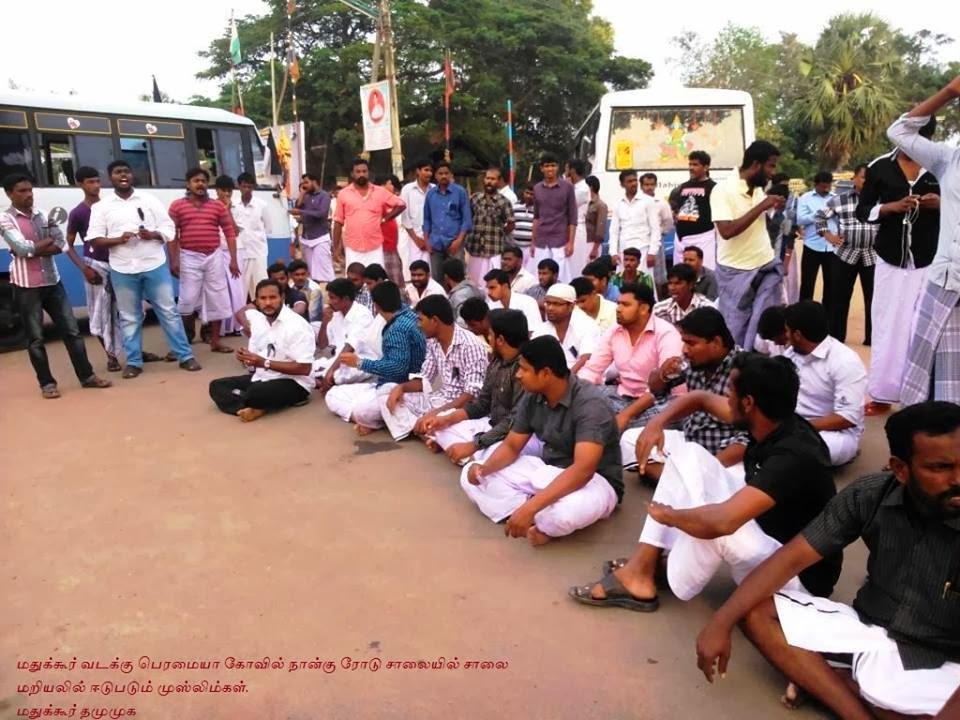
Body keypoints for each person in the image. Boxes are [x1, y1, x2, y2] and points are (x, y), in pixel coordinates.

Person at [695, 401, 960, 719]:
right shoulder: (870, 495)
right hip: (869, 631)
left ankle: (834, 683)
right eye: (940, 468)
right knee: (757, 612)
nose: (958, 479)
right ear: (900, 469)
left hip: (943, 658)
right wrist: (720, 622)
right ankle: (857, 708)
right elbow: (789, 560)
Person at [570, 353, 841, 615]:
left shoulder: (794, 455)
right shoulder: (771, 418)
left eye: (731, 393)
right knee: (689, 456)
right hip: (769, 535)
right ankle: (645, 566)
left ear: (748, 402)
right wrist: (656, 423)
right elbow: (699, 398)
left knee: (715, 524)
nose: (726, 399)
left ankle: (643, 573)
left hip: (796, 578)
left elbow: (723, 522)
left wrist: (670, 516)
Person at [461, 335, 622, 545]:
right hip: (548, 471)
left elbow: (583, 470)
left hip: (595, 482)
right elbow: (512, 446)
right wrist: (484, 470)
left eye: (524, 369)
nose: (518, 375)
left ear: (545, 373)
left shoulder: (590, 404)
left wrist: (531, 507)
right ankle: (535, 516)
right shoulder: (532, 395)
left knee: (564, 514)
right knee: (469, 473)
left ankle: (531, 512)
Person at [857, 117, 940, 416]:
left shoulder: (942, 165)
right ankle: (882, 393)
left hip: (931, 260)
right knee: (887, 326)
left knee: (926, 329)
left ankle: (923, 396)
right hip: (890, 260)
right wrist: (890, 207)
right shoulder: (880, 167)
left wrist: (940, 204)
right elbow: (863, 211)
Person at [1, 174, 111, 397]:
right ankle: (47, 384)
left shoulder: (43, 214)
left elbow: (61, 244)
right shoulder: (5, 219)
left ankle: (87, 376)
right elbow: (22, 249)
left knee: (72, 332)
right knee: (35, 339)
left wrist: (35, 248)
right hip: (26, 286)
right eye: (22, 191)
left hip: (53, 282)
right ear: (9, 194)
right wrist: (42, 243)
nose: (28, 194)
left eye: (30, 190)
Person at [88, 160, 200, 377]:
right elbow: (95, 239)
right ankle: (134, 362)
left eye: (126, 171)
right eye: (118, 172)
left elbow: (168, 229)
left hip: (153, 264)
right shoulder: (101, 207)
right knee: (129, 317)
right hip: (122, 268)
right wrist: (118, 239)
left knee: (168, 311)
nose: (123, 175)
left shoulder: (149, 200)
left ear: (132, 175)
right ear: (110, 178)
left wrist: (153, 235)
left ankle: (185, 356)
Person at [617, 307, 748, 478]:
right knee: (630, 439)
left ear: (715, 342)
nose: (685, 350)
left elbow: (748, 438)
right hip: (690, 441)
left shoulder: (745, 368)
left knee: (737, 477)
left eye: (691, 343)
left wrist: (711, 468)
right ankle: (683, 481)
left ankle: (680, 481)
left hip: (724, 452)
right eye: (684, 342)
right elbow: (656, 390)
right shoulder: (693, 361)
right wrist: (663, 373)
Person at [893, 76, 960, 407]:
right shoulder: (949, 160)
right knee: (933, 376)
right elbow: (899, 133)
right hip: (944, 281)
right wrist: (949, 92)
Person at [377, 295, 487, 442]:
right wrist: (401, 388)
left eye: (420, 320)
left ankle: (422, 429)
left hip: (461, 409)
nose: (418, 325)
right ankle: (422, 429)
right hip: (439, 400)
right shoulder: (433, 341)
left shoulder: (470, 345)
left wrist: (436, 413)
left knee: (446, 423)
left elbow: (471, 395)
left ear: (434, 321)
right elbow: (425, 379)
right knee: (386, 392)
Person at [710, 141, 786, 348]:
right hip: (735, 271)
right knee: (735, 331)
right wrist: (762, 206)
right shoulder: (722, 190)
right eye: (770, 166)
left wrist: (773, 208)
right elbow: (726, 231)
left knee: (765, 330)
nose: (773, 172)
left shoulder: (759, 190)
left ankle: (759, 364)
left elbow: (759, 225)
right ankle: (738, 365)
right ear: (756, 165)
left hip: (766, 265)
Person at [325, 281, 427, 434]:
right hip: (387, 383)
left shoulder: (397, 329)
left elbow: (397, 369)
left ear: (376, 306)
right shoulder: (407, 313)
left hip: (402, 389)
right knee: (334, 394)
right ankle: (384, 417)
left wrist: (359, 363)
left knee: (361, 411)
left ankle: (375, 420)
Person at [427, 308, 527, 464]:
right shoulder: (497, 361)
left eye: (490, 334)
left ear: (500, 340)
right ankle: (471, 457)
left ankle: (473, 458)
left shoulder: (524, 370)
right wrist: (447, 419)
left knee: (494, 455)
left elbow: (514, 422)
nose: (488, 338)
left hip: (514, 436)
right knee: (440, 425)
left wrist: (475, 445)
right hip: (491, 425)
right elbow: (482, 404)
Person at [578, 282, 682, 431]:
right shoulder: (614, 331)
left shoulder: (666, 334)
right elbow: (593, 369)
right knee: (584, 403)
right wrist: (576, 395)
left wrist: (626, 415)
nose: (618, 309)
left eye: (625, 305)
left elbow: (663, 388)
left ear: (643, 309)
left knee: (619, 425)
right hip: (621, 396)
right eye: (618, 303)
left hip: (657, 401)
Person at [209, 278, 314, 421]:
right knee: (217, 386)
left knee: (255, 393)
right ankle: (255, 407)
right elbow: (254, 363)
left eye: (273, 297)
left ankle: (253, 402)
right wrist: (246, 358)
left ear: (282, 297)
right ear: (257, 301)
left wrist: (264, 363)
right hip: (263, 377)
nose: (268, 303)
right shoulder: (259, 322)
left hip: (294, 382)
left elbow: (304, 368)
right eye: (263, 298)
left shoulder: (297, 325)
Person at [783, 301, 867, 466]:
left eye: (787, 330)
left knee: (799, 450)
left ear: (797, 335)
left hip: (834, 433)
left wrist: (798, 428)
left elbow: (847, 418)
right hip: (793, 425)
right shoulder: (790, 354)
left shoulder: (845, 362)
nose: (785, 336)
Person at [168, 167, 239, 354]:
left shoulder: (217, 206)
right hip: (188, 257)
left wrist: (233, 260)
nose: (200, 184)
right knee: (187, 300)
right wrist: (173, 260)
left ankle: (215, 341)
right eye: (196, 181)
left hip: (213, 256)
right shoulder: (177, 206)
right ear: (188, 184)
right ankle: (181, 346)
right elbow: (172, 234)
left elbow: (229, 232)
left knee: (218, 298)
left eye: (203, 181)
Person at [64, 166, 125, 372]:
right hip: (95, 265)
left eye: (98, 181)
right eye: (90, 182)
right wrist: (85, 269)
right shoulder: (78, 213)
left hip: (119, 263)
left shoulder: (110, 207)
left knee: (127, 311)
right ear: (79, 184)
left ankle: (134, 352)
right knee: (101, 313)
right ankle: (111, 356)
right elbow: (68, 245)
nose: (96, 186)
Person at [813, 164, 876, 344]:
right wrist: (829, 236)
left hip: (873, 255)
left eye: (870, 178)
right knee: (839, 298)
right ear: (854, 178)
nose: (866, 181)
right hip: (845, 254)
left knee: (874, 299)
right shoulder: (839, 200)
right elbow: (820, 216)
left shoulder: (879, 200)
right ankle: (836, 338)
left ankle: (872, 338)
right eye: (863, 177)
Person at [333, 158, 405, 268]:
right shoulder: (343, 194)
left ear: (368, 173)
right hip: (353, 247)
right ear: (352, 174)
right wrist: (336, 248)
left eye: (364, 171)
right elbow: (338, 222)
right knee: (354, 277)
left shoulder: (380, 191)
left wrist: (385, 219)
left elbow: (401, 204)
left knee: (376, 277)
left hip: (375, 247)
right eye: (358, 172)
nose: (361, 174)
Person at [314, 277, 377, 392]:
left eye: (332, 298)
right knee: (309, 367)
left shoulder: (362, 314)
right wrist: (324, 321)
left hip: (362, 361)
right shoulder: (336, 314)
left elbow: (350, 347)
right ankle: (322, 380)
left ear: (346, 299)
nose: (329, 302)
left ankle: (323, 380)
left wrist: (331, 371)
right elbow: (323, 345)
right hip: (338, 360)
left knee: (338, 376)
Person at [530, 283, 600, 373]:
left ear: (571, 306)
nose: (550, 308)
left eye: (556, 304)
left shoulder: (587, 325)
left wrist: (567, 378)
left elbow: (586, 358)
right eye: (548, 303)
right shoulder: (542, 329)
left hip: (581, 376)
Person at [211, 175, 249, 336]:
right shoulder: (210, 207)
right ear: (217, 191)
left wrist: (227, 210)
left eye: (229, 191)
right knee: (220, 289)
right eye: (223, 190)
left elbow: (235, 231)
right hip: (216, 251)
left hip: (234, 251)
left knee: (237, 289)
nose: (226, 194)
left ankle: (238, 325)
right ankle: (222, 328)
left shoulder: (237, 208)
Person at [608, 170, 660, 287]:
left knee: (644, 286)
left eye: (635, 180)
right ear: (622, 184)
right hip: (624, 252)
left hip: (643, 251)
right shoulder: (618, 204)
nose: (634, 184)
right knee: (622, 285)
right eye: (630, 181)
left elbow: (655, 229)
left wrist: (652, 252)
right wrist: (613, 253)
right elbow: (614, 231)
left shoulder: (648, 201)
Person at [530, 153, 577, 282]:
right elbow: (536, 217)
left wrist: (571, 242)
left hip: (560, 241)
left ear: (557, 167)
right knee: (541, 277)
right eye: (547, 166)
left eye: (553, 165)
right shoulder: (537, 188)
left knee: (561, 277)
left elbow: (572, 217)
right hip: (541, 241)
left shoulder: (567, 187)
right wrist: (533, 242)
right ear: (541, 168)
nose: (550, 169)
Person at [423, 160, 472, 282]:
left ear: (451, 174)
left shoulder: (460, 192)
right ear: (435, 175)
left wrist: (459, 241)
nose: (443, 176)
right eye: (440, 173)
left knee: (457, 279)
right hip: (435, 243)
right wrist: (427, 241)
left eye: (446, 173)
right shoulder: (430, 194)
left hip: (454, 243)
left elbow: (466, 220)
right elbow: (427, 219)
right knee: (437, 279)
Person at [465, 167, 515, 285]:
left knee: (493, 283)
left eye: (493, 179)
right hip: (475, 249)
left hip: (494, 250)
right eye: (487, 178)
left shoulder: (504, 201)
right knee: (474, 283)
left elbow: (511, 224)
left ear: (498, 181)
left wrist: (500, 233)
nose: (489, 181)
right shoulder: (475, 198)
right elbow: (467, 219)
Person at [669, 150, 718, 268]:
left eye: (695, 165)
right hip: (680, 239)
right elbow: (673, 207)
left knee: (704, 273)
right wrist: (674, 214)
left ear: (706, 167)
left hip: (703, 239)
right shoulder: (681, 188)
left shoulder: (715, 188)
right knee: (680, 275)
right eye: (690, 164)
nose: (691, 168)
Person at [796, 171, 836, 308]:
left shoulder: (835, 199)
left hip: (832, 248)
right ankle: (804, 313)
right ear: (816, 185)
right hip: (811, 246)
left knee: (831, 284)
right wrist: (819, 214)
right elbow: (800, 219)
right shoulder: (805, 198)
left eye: (828, 186)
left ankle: (827, 315)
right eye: (823, 187)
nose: (826, 189)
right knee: (807, 283)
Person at [232, 172, 272, 302]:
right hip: (240, 252)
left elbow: (268, 228)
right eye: (244, 186)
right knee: (241, 289)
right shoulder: (233, 205)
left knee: (260, 286)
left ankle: (262, 312)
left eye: (249, 187)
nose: (246, 190)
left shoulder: (262, 205)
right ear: (239, 186)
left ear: (253, 187)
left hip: (258, 252)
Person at [289, 173, 333, 282]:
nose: (304, 185)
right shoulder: (306, 196)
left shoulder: (324, 196)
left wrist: (301, 212)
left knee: (324, 268)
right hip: (306, 239)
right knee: (311, 269)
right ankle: (315, 289)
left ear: (314, 182)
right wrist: (302, 193)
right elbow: (297, 207)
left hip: (320, 238)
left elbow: (321, 213)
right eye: (303, 183)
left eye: (306, 182)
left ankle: (328, 288)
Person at [399, 159, 434, 279]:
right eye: (426, 170)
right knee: (416, 272)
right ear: (418, 171)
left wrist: (429, 239)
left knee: (432, 273)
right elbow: (405, 217)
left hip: (432, 237)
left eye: (431, 171)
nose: (429, 173)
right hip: (414, 238)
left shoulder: (434, 189)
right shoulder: (407, 189)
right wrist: (416, 239)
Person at [640, 172, 674, 296]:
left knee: (658, 275)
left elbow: (668, 221)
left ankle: (657, 301)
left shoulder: (661, 203)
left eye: (651, 184)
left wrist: (659, 233)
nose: (649, 187)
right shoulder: (637, 202)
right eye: (646, 185)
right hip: (639, 241)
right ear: (641, 186)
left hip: (656, 242)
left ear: (655, 185)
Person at [484, 268, 541, 333]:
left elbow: (534, 331)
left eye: (492, 288)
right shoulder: (490, 305)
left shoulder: (528, 302)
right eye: (488, 288)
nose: (489, 292)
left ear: (505, 286)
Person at [376, 174, 405, 287]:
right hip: (383, 247)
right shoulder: (378, 202)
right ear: (381, 186)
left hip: (393, 247)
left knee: (396, 281)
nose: (392, 186)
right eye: (389, 183)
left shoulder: (392, 202)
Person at [566, 158, 592, 280]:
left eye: (567, 169)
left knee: (575, 264)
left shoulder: (582, 189)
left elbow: (566, 204)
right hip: (566, 228)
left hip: (577, 229)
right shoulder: (574, 187)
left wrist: (566, 186)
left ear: (572, 170)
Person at [287, 258, 323, 323]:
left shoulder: (315, 289)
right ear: (290, 275)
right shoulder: (290, 287)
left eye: (303, 274)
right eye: (297, 275)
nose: (300, 277)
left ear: (307, 274)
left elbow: (313, 316)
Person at [584, 175, 608, 264]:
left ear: (590, 187)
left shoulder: (600, 205)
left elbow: (600, 229)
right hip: (583, 241)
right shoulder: (585, 203)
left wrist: (595, 249)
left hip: (592, 244)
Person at [512, 185, 536, 271]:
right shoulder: (515, 206)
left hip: (530, 248)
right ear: (523, 193)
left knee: (528, 271)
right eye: (527, 193)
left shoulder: (538, 209)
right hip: (515, 246)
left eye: (532, 194)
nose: (528, 196)